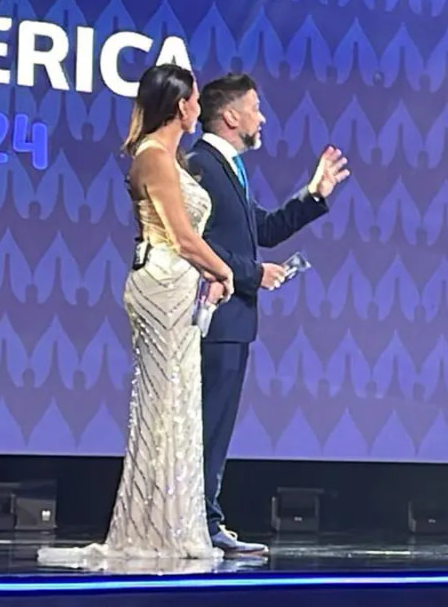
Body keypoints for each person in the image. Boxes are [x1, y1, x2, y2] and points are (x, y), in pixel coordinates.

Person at [38, 63, 235, 568]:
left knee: (178, 407)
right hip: (160, 286)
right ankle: (152, 529)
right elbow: (183, 236)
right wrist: (224, 271)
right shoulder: (152, 158)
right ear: (178, 105)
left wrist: (209, 275)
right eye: (193, 100)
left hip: (179, 287)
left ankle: (174, 523)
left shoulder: (172, 158)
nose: (198, 108)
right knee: (161, 406)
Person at [187, 73, 349, 555]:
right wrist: (254, 274)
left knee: (217, 425)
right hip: (214, 316)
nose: (261, 118)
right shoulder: (201, 164)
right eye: (255, 108)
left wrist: (314, 193)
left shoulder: (228, 167)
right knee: (205, 423)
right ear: (231, 116)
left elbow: (265, 228)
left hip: (235, 319)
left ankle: (206, 516)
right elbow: (199, 246)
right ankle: (199, 519)